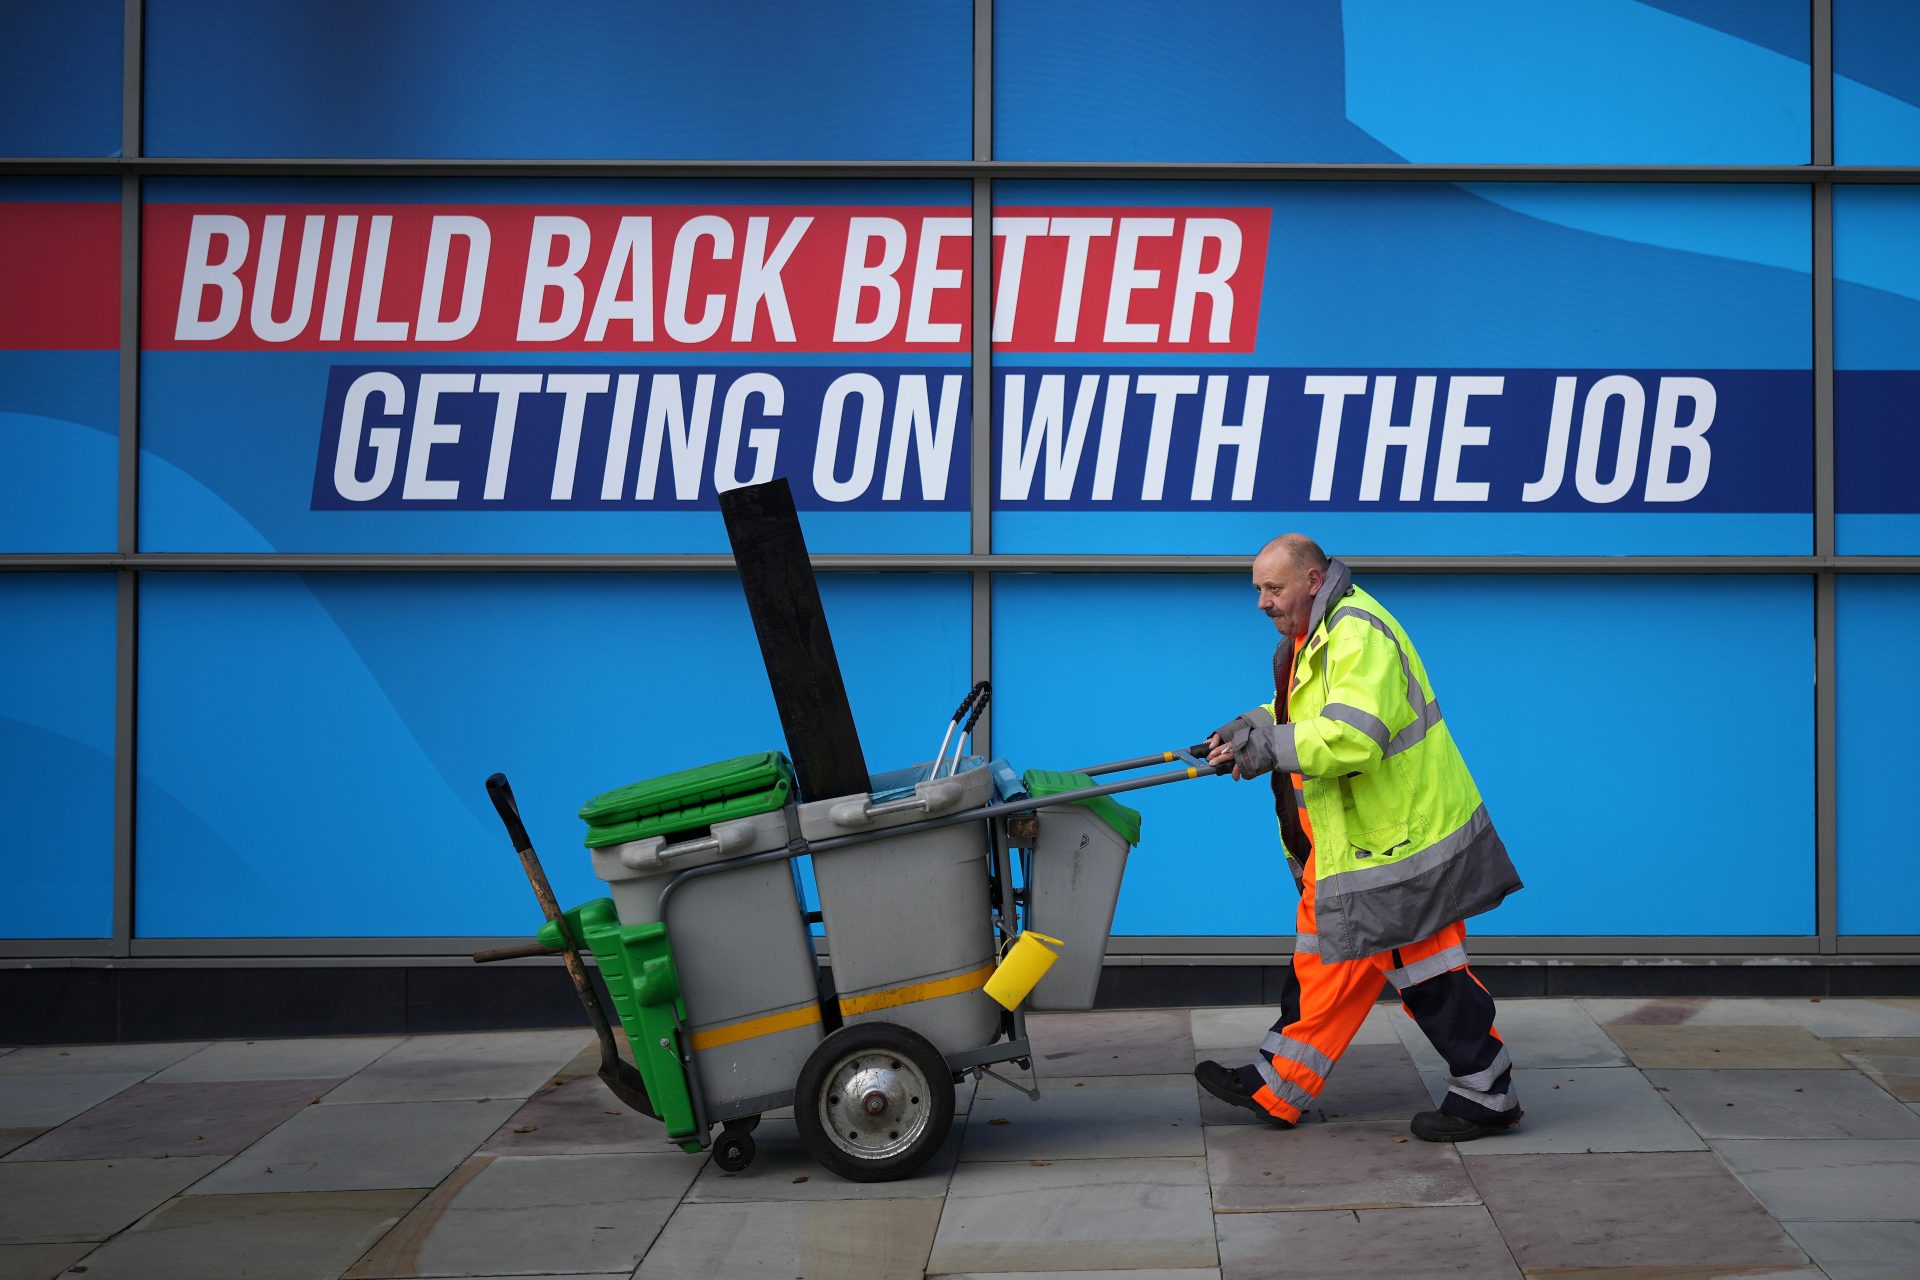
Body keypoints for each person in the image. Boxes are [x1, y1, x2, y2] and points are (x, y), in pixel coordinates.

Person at [1193, 534, 1525, 1142]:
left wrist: (1268, 749)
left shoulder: (1357, 632)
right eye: (1257, 590)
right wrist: (1249, 727)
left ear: (1314, 581)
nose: (1262, 603)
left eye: (1274, 588)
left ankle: (1489, 1091)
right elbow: (1310, 716)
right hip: (1358, 845)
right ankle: (1279, 1087)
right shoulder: (1317, 636)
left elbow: (1353, 737)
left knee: (1429, 971)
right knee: (1320, 963)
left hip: (1396, 844)